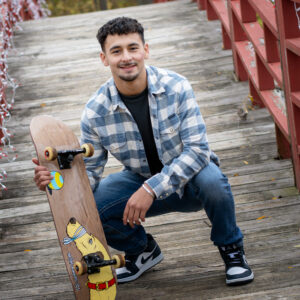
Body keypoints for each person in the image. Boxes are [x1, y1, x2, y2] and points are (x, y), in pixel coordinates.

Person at [33, 17, 254, 286]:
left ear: (145, 50)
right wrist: (55, 183)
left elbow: (198, 151)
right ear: (104, 58)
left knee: (213, 180)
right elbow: (87, 177)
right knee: (94, 206)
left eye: (132, 48)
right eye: (116, 51)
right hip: (139, 178)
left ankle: (231, 250)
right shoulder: (95, 111)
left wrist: (150, 189)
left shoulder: (177, 87)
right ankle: (142, 250)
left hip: (190, 182)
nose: (126, 57)